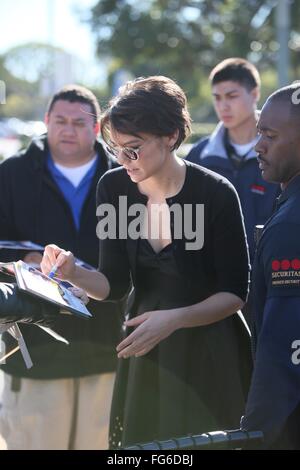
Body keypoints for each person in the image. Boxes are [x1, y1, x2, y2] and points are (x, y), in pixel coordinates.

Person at [41, 76, 253, 448]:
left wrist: (174, 319)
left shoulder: (216, 193)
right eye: (116, 148)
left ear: (170, 136)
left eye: (133, 149)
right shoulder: (114, 188)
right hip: (146, 353)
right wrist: (73, 271)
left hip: (210, 353)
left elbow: (235, 293)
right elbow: (114, 284)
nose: (123, 160)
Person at [0, 85, 122, 450]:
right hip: (33, 347)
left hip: (107, 342)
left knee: (100, 444)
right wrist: (30, 259)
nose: (68, 130)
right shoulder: (12, 173)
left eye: (78, 123)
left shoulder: (123, 175)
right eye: (60, 121)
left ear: (97, 128)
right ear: (46, 121)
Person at [241, 84, 300, 449]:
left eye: (270, 135)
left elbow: (285, 349)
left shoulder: (291, 226)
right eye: (259, 131)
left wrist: (254, 432)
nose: (258, 145)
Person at [186, 58, 279, 260]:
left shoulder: (282, 150)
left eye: (231, 96)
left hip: (273, 275)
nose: (223, 106)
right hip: (214, 281)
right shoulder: (198, 156)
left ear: (254, 94)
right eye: (217, 98)